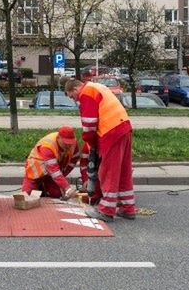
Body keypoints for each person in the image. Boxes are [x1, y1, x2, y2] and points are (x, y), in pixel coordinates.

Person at [65, 78, 136, 222]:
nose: (75, 100)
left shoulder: (86, 93)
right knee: (123, 171)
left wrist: (92, 144)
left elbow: (89, 124)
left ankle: (107, 211)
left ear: (75, 89)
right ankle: (128, 208)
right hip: (124, 128)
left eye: (72, 97)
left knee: (108, 172)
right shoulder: (96, 86)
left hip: (111, 132)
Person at [22, 126, 89, 200]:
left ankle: (44, 191)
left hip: (52, 172)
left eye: (70, 143)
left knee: (56, 194)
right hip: (35, 171)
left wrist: (63, 175)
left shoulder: (73, 143)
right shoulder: (48, 146)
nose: (68, 145)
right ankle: (40, 188)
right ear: (58, 138)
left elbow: (74, 159)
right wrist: (67, 187)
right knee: (26, 197)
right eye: (65, 143)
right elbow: (54, 171)